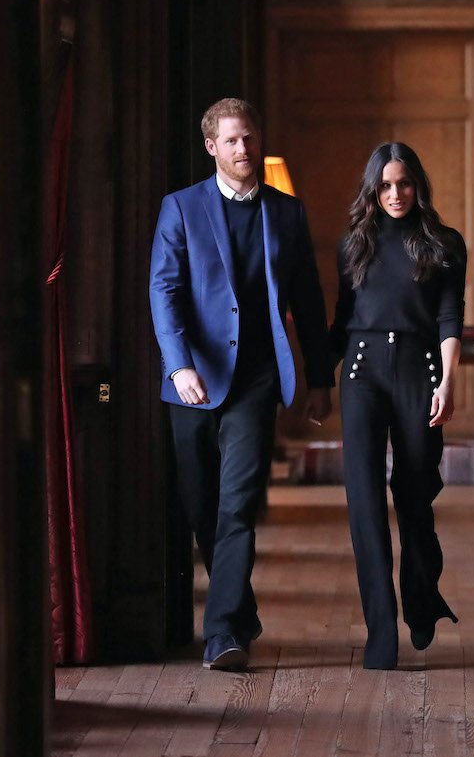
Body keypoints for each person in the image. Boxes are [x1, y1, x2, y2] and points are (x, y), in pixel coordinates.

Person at [149, 97, 334, 671]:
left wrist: (319, 378)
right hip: (193, 380)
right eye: (231, 141)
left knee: (237, 507)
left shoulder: (286, 213)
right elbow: (165, 291)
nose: (243, 149)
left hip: (255, 378)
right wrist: (179, 365)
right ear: (212, 148)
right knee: (201, 505)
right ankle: (240, 606)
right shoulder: (179, 208)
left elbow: (307, 298)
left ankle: (224, 633)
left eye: (249, 138)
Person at [329, 142, 464, 669]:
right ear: (372, 189)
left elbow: (450, 316)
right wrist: (315, 378)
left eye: (403, 183)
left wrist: (448, 382)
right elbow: (342, 320)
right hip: (361, 373)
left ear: (417, 185)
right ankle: (380, 635)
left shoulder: (445, 243)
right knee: (364, 504)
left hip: (419, 369)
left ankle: (423, 594)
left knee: (415, 495)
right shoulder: (353, 245)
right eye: (384, 185)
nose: (394, 194)